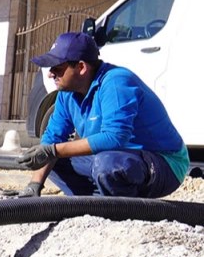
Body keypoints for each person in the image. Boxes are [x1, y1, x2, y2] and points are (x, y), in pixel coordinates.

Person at [16, 31, 187, 199]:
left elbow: (115, 138)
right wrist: (34, 184)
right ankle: (96, 203)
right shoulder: (66, 94)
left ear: (81, 67)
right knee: (52, 161)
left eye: (57, 68)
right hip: (117, 160)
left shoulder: (116, 82)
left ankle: (127, 209)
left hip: (164, 164)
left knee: (106, 164)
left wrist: (53, 151)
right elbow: (53, 138)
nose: (50, 74)